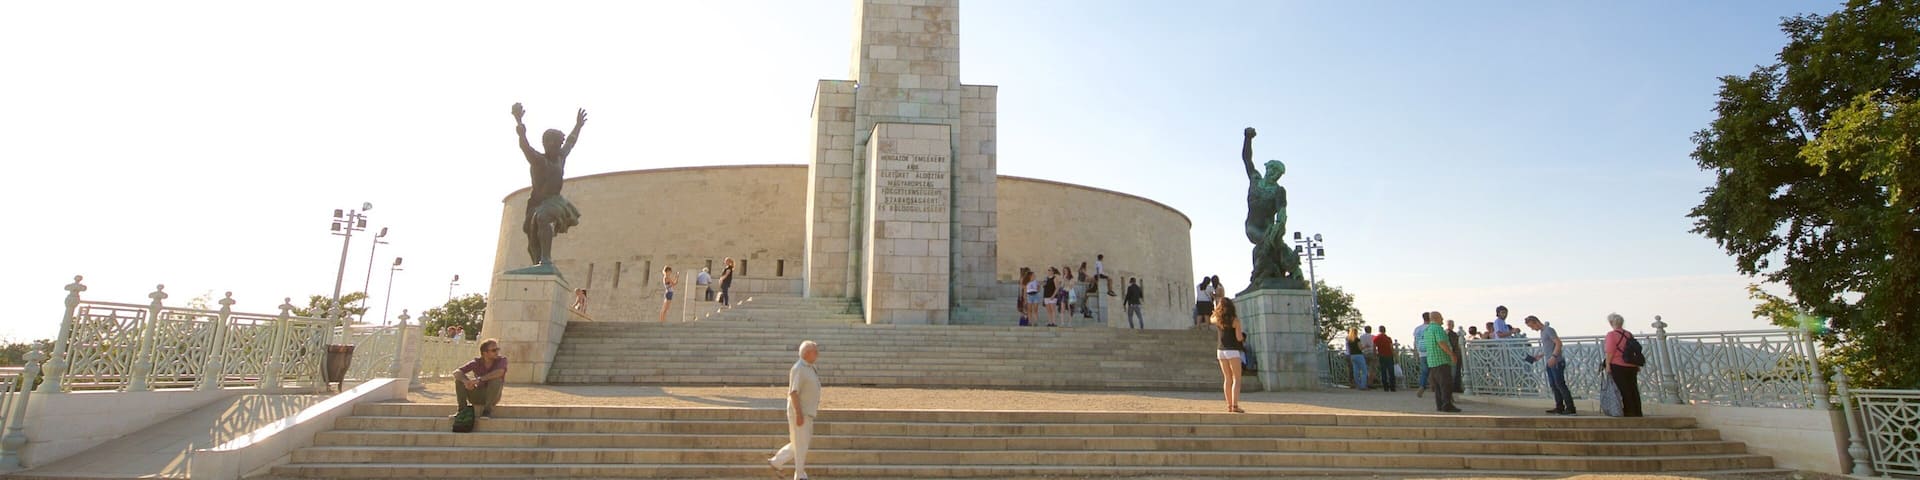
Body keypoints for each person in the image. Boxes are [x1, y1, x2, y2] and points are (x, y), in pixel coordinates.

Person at [510, 103, 587, 268]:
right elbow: (525, 146)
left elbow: (571, 142)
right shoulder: (539, 160)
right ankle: (538, 262)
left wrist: (578, 125)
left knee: (543, 217)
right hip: (537, 202)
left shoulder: (560, 158)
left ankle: (546, 259)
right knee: (531, 237)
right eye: (553, 144)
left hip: (555, 201)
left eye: (558, 144)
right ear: (546, 144)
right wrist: (519, 121)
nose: (557, 147)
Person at [768, 340, 822, 479]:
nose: (818, 353)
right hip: (800, 412)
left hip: (807, 412)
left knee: (799, 442)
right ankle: (799, 475)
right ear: (807, 353)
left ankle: (777, 461)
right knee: (801, 444)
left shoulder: (810, 367)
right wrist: (798, 413)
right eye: (815, 351)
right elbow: (793, 392)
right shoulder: (799, 368)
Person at [1523, 315, 1573, 415]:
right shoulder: (1543, 332)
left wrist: (1554, 357)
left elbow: (1558, 343)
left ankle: (1571, 408)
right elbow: (1549, 346)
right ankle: (1559, 407)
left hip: (1556, 361)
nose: (1532, 329)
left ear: (1536, 322)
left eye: (1531, 326)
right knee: (1554, 386)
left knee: (1560, 385)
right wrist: (1540, 356)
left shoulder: (1549, 330)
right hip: (1550, 361)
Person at [453, 338, 508, 420]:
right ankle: (462, 410)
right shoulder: (476, 362)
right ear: (485, 353)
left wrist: (479, 379)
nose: (497, 352)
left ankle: (487, 411)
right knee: (459, 381)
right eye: (494, 350)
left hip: (492, 396)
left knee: (496, 380)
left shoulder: (502, 360)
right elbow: (456, 372)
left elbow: (500, 372)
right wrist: (466, 382)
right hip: (477, 394)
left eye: (497, 349)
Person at [1602, 313, 1643, 417]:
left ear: (1611, 323)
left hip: (1618, 365)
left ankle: (1629, 411)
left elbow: (1610, 352)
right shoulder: (1628, 334)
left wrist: (1607, 365)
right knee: (1633, 388)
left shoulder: (1611, 335)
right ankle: (1637, 411)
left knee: (1623, 389)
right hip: (1631, 365)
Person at [1211, 298, 1247, 413]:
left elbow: (1211, 319)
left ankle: (1229, 405)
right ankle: (1235, 406)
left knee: (1227, 378)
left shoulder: (1217, 319)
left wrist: (1215, 311)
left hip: (1220, 350)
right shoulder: (1234, 320)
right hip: (1232, 350)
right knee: (1237, 379)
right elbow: (1239, 338)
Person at [1421, 312, 1461, 412]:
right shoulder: (1438, 329)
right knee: (1446, 384)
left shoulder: (1427, 329)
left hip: (1432, 361)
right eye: (1441, 318)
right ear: (1437, 318)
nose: (1443, 320)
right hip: (1441, 360)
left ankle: (1440, 405)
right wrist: (1451, 354)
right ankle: (1447, 405)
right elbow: (1441, 342)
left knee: (1438, 386)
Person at [1373, 326, 1397, 392]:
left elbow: (1374, 348)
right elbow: (1391, 347)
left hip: (1381, 356)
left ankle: (1385, 387)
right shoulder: (1388, 338)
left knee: (1383, 372)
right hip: (1389, 356)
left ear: (1379, 330)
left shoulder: (1376, 338)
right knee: (1391, 372)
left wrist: (1375, 355)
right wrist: (1394, 355)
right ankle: (1392, 387)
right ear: (1385, 330)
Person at [1413, 312, 1431, 397]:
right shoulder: (1431, 327)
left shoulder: (1418, 329)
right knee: (1435, 370)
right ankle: (1435, 387)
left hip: (1422, 352)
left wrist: (1416, 352)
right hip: (1431, 352)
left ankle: (1422, 386)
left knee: (1424, 371)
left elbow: (1415, 341)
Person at [1447, 319, 1465, 394]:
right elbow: (1454, 345)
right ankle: (1454, 388)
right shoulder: (1450, 334)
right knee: (1454, 373)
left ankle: (1455, 387)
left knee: (1455, 372)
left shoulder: (1451, 333)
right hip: (1454, 355)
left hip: (1454, 354)